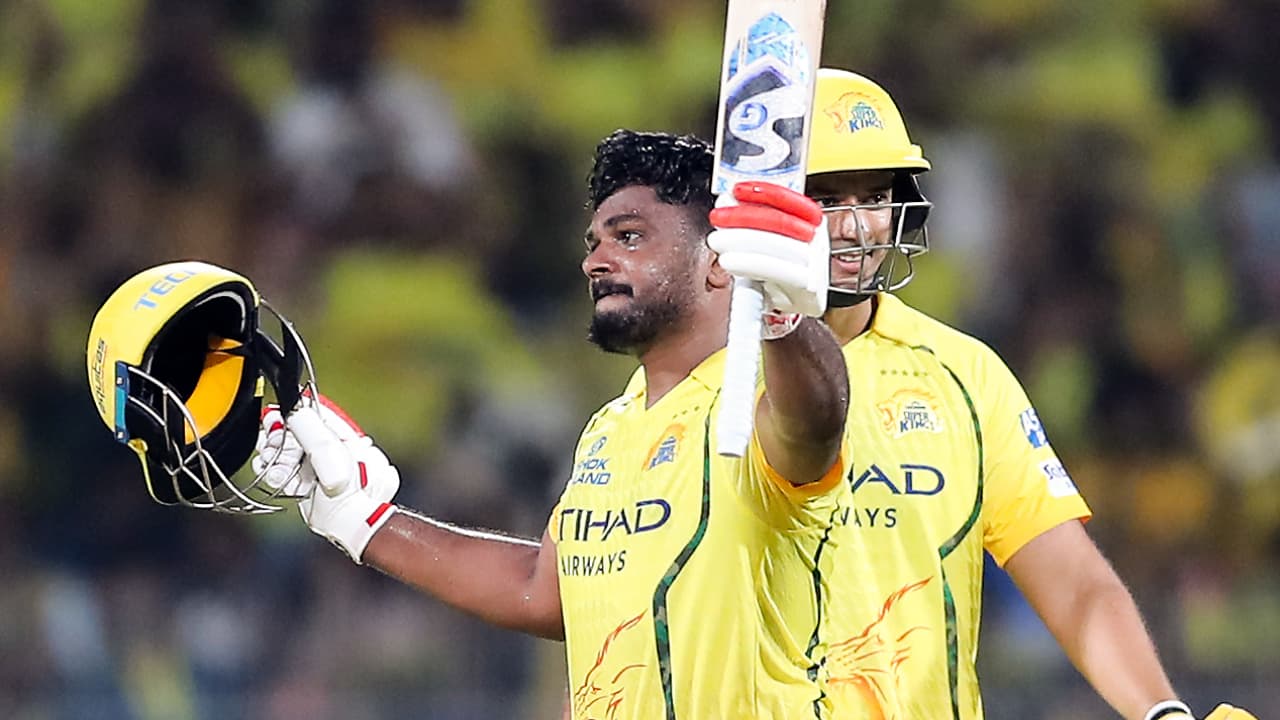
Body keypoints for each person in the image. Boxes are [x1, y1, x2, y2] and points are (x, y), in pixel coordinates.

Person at [259, 129, 855, 719]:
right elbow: (540, 589)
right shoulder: (610, 428)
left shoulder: (757, 397)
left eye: (629, 236)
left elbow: (815, 425)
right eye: (595, 242)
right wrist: (366, 522)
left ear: (718, 262)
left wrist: (782, 318)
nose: (595, 261)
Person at [799, 68, 1255, 720]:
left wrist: (1162, 712)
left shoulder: (964, 375)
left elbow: (1076, 586)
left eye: (873, 197)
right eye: (825, 198)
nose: (856, 226)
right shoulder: (706, 372)